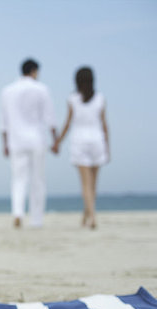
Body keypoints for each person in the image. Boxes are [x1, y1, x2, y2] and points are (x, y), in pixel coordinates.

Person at [0, 59, 58, 228]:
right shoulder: (41, 89)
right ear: (34, 71)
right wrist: (55, 140)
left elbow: (4, 121)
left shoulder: (7, 91)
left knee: (18, 179)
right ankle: (36, 219)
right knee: (37, 180)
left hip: (15, 140)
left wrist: (4, 143)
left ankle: (18, 212)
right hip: (37, 139)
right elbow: (50, 118)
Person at [52, 67, 109, 230]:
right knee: (93, 184)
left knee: (86, 184)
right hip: (97, 141)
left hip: (80, 142)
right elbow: (104, 125)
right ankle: (88, 214)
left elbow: (67, 124)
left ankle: (92, 216)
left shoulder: (73, 99)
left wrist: (58, 142)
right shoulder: (100, 98)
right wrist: (107, 146)